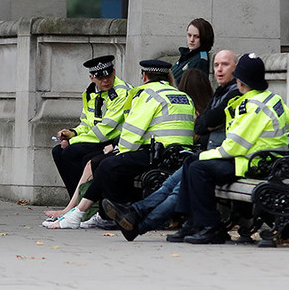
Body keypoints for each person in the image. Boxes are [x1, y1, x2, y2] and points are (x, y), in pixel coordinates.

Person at [101, 50, 241, 241]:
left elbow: (208, 124)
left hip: (226, 159)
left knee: (180, 184)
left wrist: (206, 125)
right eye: (216, 65)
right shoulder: (222, 92)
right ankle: (136, 213)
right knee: (170, 184)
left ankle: (138, 225)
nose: (219, 69)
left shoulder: (235, 94)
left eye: (224, 65)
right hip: (209, 155)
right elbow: (200, 125)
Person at [47, 59, 195, 229]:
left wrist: (119, 150)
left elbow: (132, 131)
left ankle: (90, 214)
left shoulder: (146, 93)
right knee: (99, 161)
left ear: (145, 76)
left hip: (157, 153)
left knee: (106, 164)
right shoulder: (183, 96)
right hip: (180, 154)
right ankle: (84, 212)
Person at [169, 53, 289, 244]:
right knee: (191, 161)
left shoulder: (253, 107)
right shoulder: (272, 99)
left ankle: (211, 227)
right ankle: (193, 222)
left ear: (241, 81)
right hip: (260, 159)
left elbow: (232, 148)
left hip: (253, 163)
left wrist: (206, 155)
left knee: (198, 167)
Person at [51, 55, 132, 198]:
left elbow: (105, 130)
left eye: (108, 75)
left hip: (114, 140)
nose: (105, 80)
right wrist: (73, 133)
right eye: (100, 78)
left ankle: (85, 203)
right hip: (97, 139)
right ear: (92, 78)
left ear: (113, 72)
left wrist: (72, 141)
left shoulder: (120, 92)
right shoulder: (91, 93)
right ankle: (76, 201)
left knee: (72, 152)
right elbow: (87, 123)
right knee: (58, 152)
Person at [171, 18, 214, 84]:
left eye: (196, 37)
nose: (191, 40)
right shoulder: (187, 55)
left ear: (204, 38)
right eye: (189, 35)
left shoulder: (200, 60)